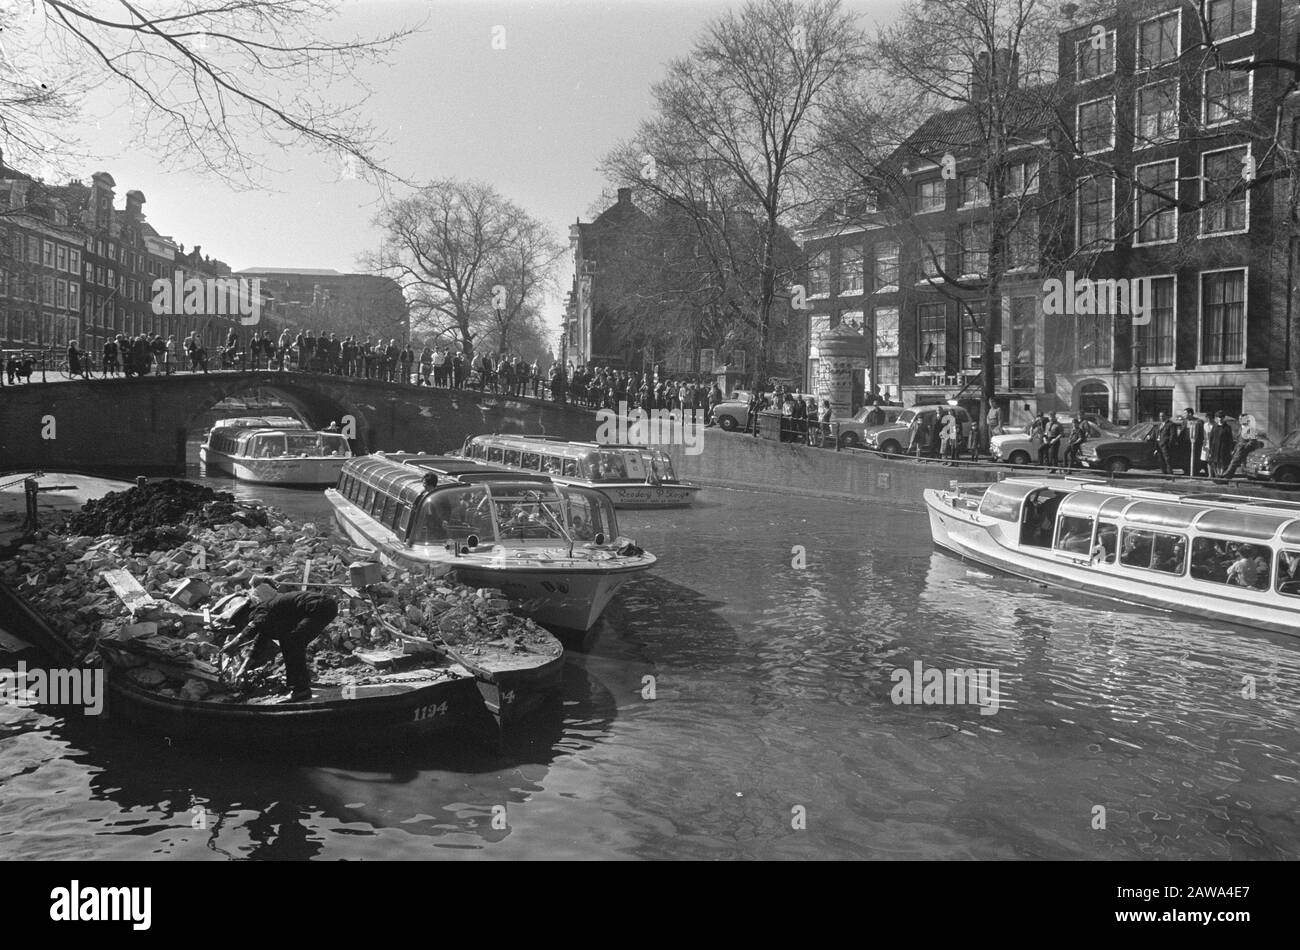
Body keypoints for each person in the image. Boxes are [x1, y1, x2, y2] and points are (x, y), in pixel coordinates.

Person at [220, 580, 338, 703]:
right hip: (324, 606)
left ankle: (300, 690)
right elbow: (258, 644)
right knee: (291, 641)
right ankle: (302, 684)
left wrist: (234, 643)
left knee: (291, 643)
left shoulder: (262, 609)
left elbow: (254, 625)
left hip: (319, 606)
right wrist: (243, 669)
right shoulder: (272, 616)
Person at [1224, 413, 1262, 479]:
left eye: (1242, 419)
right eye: (1239, 419)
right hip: (1238, 449)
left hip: (1245, 450)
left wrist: (1244, 447)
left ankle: (1226, 477)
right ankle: (1227, 477)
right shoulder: (1240, 428)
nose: (1240, 420)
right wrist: (1234, 450)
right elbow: (1239, 440)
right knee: (1237, 464)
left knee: (1234, 463)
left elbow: (1252, 442)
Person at [1208, 410, 1234, 478]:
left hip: (1223, 448)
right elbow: (1211, 438)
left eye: (1221, 417)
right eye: (1218, 417)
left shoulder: (1227, 427)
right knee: (1215, 462)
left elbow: (1230, 439)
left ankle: (1222, 475)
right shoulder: (1215, 426)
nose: (1220, 418)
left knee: (1222, 462)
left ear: (1224, 418)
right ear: (1216, 418)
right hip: (1215, 448)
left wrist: (1231, 449)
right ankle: (1216, 474)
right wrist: (1210, 449)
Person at [1183, 408, 1206, 476]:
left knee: (1196, 458)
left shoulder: (1198, 421)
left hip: (1196, 444)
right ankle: (1187, 471)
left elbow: (1201, 433)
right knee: (1186, 458)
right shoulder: (1184, 422)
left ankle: (1195, 471)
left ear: (1190, 414)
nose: (1184, 415)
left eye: (1185, 413)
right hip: (1186, 444)